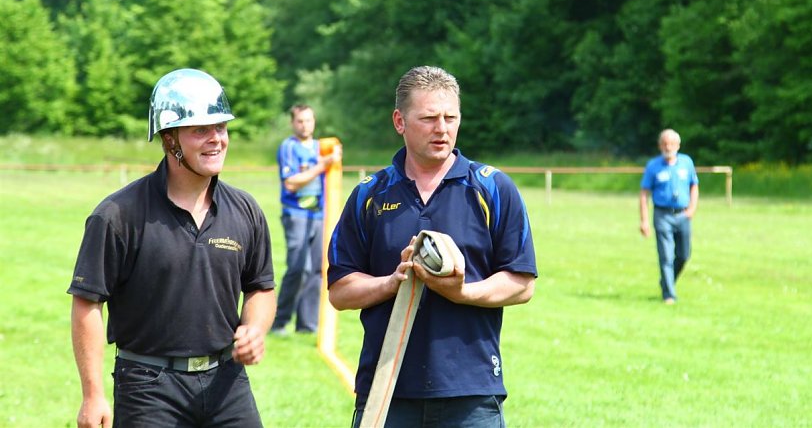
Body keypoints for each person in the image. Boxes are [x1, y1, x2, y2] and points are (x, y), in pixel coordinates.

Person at [327, 65, 538, 427]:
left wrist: (462, 292)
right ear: (399, 121)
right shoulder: (369, 194)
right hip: (386, 390)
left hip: (470, 394)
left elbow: (522, 283)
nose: (442, 129)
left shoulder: (493, 188)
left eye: (450, 117)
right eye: (428, 118)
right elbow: (340, 291)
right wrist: (392, 282)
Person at [68, 68, 276, 428]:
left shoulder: (246, 210)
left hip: (227, 381)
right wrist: (93, 395)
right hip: (148, 386)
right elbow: (87, 302)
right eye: (201, 129)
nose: (217, 139)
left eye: (221, 127)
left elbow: (261, 287)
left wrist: (255, 328)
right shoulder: (118, 215)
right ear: (169, 139)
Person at [271, 104, 341, 335]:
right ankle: (279, 322)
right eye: (300, 121)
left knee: (317, 271)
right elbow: (291, 182)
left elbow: (332, 172)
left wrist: (335, 159)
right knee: (298, 268)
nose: (305, 125)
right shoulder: (289, 147)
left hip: (320, 215)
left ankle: (306, 326)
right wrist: (321, 167)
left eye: (309, 120)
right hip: (296, 214)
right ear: (293, 123)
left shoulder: (320, 148)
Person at [639, 128, 699, 305]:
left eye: (672, 143)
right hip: (662, 214)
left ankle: (667, 279)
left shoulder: (686, 163)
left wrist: (692, 209)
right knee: (665, 255)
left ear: (678, 145)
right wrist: (644, 220)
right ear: (659, 145)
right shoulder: (653, 166)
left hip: (682, 214)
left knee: (684, 254)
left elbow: (694, 186)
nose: (668, 146)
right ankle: (669, 295)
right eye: (665, 143)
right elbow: (644, 194)